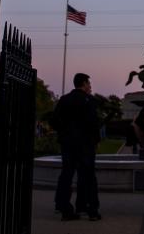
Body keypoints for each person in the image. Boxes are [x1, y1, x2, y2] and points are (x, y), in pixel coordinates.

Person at [52, 73, 102, 221]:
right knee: (88, 176)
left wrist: (64, 132)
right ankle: (92, 209)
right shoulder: (90, 101)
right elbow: (94, 123)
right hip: (85, 144)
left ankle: (64, 207)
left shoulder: (64, 100)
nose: (90, 87)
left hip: (68, 143)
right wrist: (96, 140)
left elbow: (55, 120)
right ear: (84, 84)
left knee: (66, 174)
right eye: (88, 84)